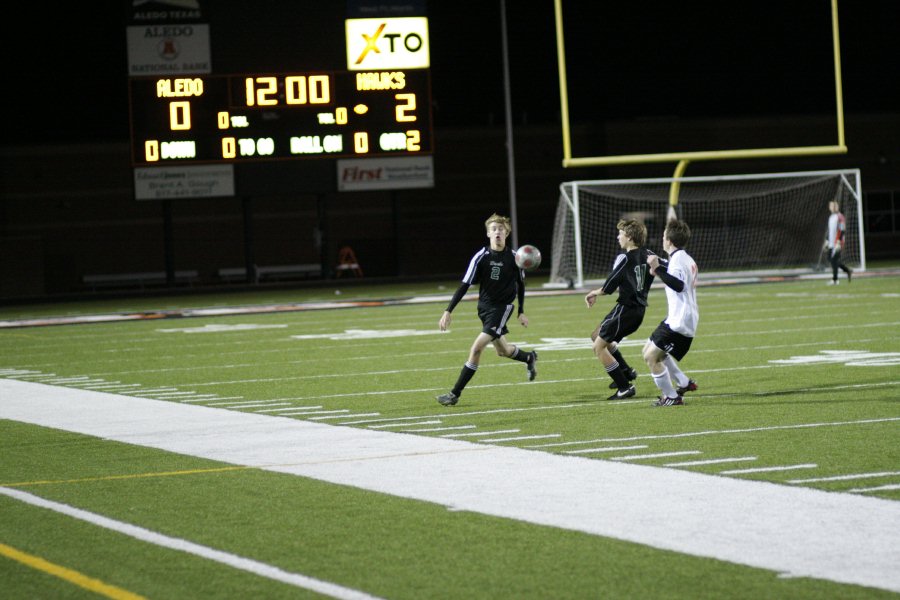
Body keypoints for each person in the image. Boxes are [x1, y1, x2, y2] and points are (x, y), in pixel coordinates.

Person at [435, 213, 538, 406]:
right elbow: (465, 284)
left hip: (502, 308)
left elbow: (521, 285)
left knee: (476, 349)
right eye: (494, 229)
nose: (497, 232)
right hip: (484, 309)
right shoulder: (481, 257)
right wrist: (448, 310)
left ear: (507, 233)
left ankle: (454, 394)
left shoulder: (516, 258)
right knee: (504, 351)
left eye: (501, 229)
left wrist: (520, 311)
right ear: (488, 234)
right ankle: (529, 357)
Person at [584, 219, 654, 400]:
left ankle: (624, 387)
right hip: (637, 311)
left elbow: (608, 287)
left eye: (621, 233)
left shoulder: (625, 258)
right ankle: (626, 371)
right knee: (596, 335)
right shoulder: (649, 254)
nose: (618, 237)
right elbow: (664, 266)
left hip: (626, 309)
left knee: (598, 347)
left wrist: (592, 293)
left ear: (629, 237)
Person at [643, 219, 699, 407]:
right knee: (649, 349)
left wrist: (657, 269)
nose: (662, 238)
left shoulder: (678, 261)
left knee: (651, 357)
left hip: (680, 322)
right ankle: (684, 382)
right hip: (677, 317)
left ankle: (671, 397)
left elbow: (679, 284)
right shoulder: (683, 257)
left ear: (669, 240)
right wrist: (658, 265)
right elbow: (673, 272)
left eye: (664, 235)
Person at [824, 200, 852, 285]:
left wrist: (839, 241)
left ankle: (835, 280)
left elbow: (842, 229)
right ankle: (847, 270)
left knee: (834, 260)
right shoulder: (831, 217)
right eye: (831, 206)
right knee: (831, 259)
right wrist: (827, 241)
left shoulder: (840, 217)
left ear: (837, 207)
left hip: (838, 243)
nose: (832, 207)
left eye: (834, 206)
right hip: (831, 243)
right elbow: (830, 231)